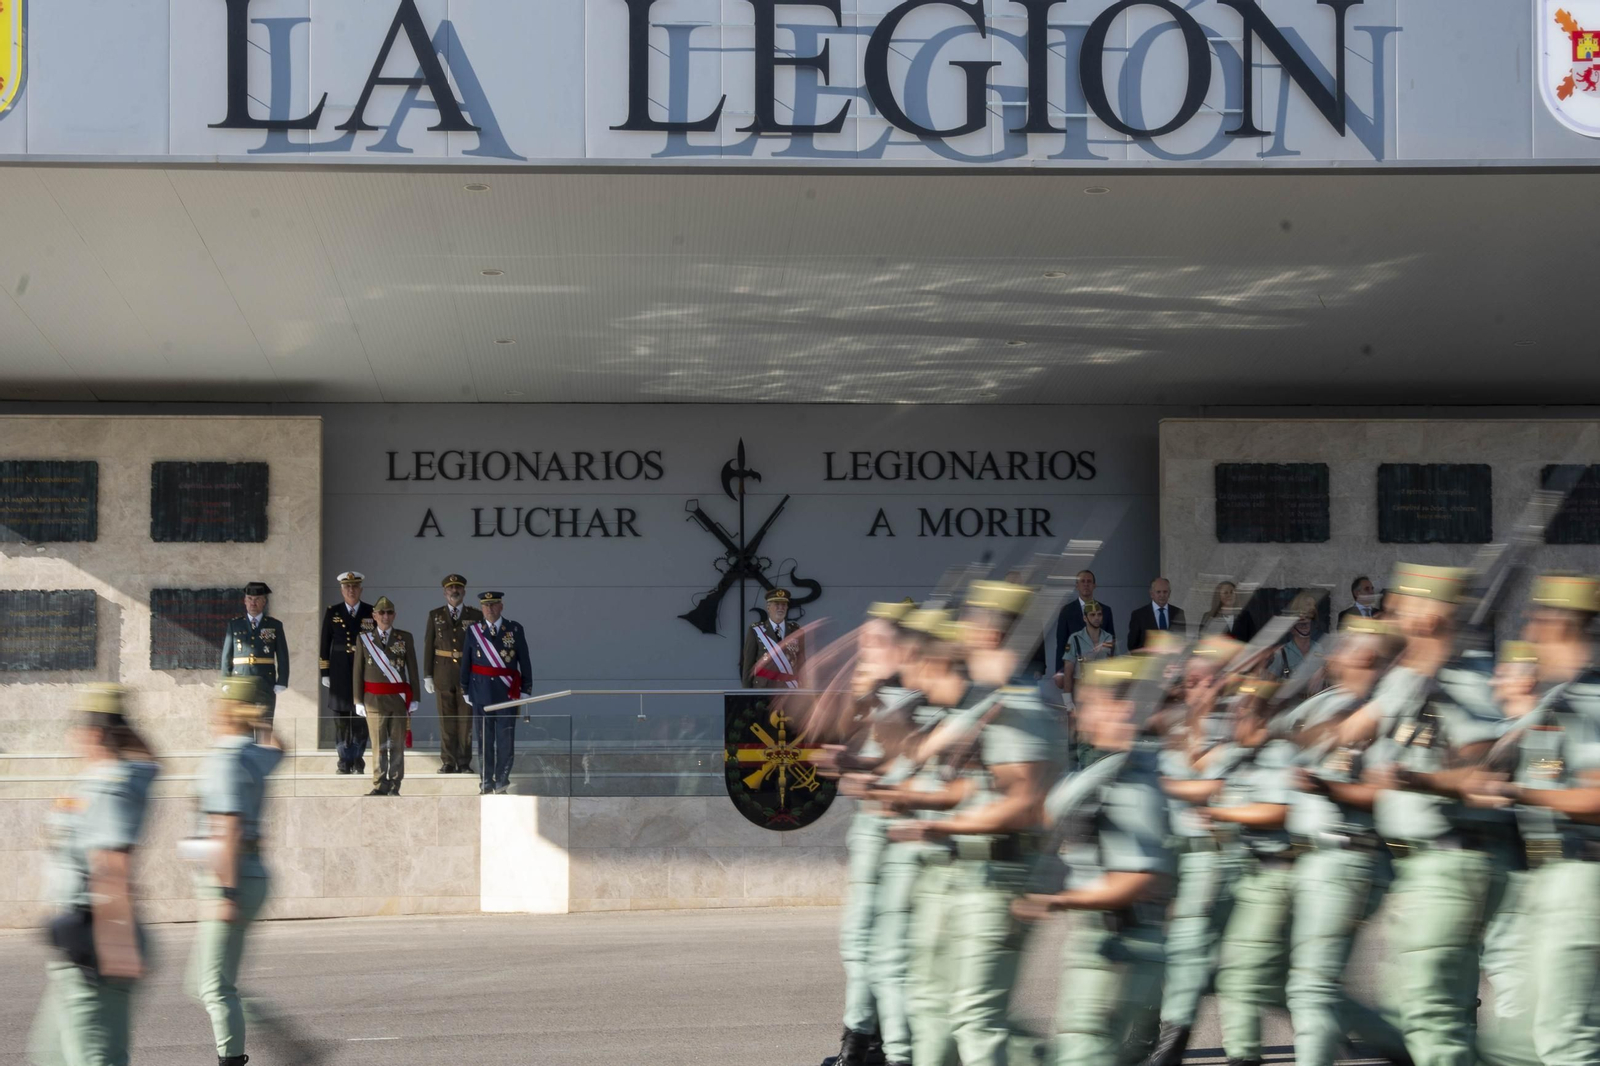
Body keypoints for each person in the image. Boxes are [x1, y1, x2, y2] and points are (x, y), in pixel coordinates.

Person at [1467, 573, 1600, 1066]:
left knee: (1565, 1040)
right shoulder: (1558, 698)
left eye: (1537, 618)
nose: (1529, 629)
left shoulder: (1589, 697)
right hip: (1548, 876)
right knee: (1517, 1044)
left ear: (1560, 625)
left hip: (1582, 874)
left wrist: (1514, 790)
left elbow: (1595, 795)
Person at [1015, 655, 1173, 1066]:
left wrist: (1060, 900)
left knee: (1083, 1053)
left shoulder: (1132, 781)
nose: (1081, 714)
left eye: (1091, 704)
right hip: (1097, 942)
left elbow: (1137, 877)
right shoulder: (1104, 769)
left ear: (1123, 709)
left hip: (1123, 948)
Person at [29, 684, 161, 1066]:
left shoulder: (107, 785)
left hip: (95, 942)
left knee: (93, 1058)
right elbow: (153, 760)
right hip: (85, 942)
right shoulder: (127, 775)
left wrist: (114, 951)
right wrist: (118, 718)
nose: (72, 735)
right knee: (51, 1056)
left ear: (94, 733)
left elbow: (111, 864)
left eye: (78, 727)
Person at [187, 676, 286, 1066]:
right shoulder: (255, 755)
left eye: (220, 708)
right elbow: (281, 749)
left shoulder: (225, 761)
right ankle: (278, 1037)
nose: (214, 715)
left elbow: (227, 827)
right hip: (251, 873)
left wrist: (226, 893)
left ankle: (233, 1058)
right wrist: (261, 721)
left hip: (229, 877)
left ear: (228, 714)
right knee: (203, 981)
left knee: (214, 986)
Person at [461, 591, 532, 795]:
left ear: (501, 606)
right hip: (480, 692)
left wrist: (526, 688)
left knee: (505, 741)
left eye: (493, 604)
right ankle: (485, 782)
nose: (489, 609)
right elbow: (466, 661)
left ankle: (501, 782)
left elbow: (524, 660)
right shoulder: (473, 630)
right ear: (481, 608)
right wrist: (465, 688)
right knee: (484, 740)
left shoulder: (514, 629)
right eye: (486, 605)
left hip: (507, 693)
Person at [352, 596, 420, 797]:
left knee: (397, 744)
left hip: (398, 700)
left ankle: (395, 784)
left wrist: (415, 696)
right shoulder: (364, 639)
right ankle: (380, 784)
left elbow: (413, 669)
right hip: (373, 700)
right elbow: (357, 672)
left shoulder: (404, 638)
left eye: (389, 612)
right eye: (381, 613)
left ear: (394, 615)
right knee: (378, 745)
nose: (385, 616)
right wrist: (357, 700)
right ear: (374, 616)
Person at [423, 574, 483, 775]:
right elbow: (428, 646)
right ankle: (448, 761)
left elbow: (480, 647)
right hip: (443, 672)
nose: (454, 591)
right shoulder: (435, 615)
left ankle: (464, 762)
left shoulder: (475, 615)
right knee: (446, 719)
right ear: (444, 592)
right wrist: (427, 675)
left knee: (466, 720)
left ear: (464, 591)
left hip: (468, 673)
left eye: (458, 588)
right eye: (450, 588)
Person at [319, 571, 373, 775]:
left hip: (364, 669)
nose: (351, 590)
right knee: (341, 719)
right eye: (347, 587)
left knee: (361, 718)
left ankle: (358, 760)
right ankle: (343, 761)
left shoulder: (371, 611)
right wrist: (325, 671)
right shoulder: (333, 611)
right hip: (339, 669)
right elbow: (325, 643)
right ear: (342, 590)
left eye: (355, 586)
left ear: (361, 589)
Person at [220, 581, 288, 721]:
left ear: (264, 602)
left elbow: (282, 656)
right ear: (245, 601)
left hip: (265, 682)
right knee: (242, 725)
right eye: (250, 599)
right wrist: (226, 680)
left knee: (265, 723)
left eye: (257, 599)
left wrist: (282, 680)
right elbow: (227, 655)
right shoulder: (235, 625)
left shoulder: (274, 625)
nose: (253, 603)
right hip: (240, 681)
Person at [1053, 569, 1116, 680]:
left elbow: (1111, 642)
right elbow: (1061, 643)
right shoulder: (1067, 611)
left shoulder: (1105, 610)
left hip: (1099, 670)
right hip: (1074, 670)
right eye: (1082, 581)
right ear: (1077, 585)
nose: (1086, 584)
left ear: (1094, 585)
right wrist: (1060, 672)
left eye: (1089, 581)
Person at [742, 587, 806, 688]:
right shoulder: (756, 630)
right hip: (764, 688)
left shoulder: (796, 631)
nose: (781, 608)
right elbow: (748, 665)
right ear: (768, 607)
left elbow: (802, 663)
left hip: (789, 689)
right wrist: (746, 692)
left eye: (784, 605)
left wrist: (804, 688)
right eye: (777, 604)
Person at [1269, 591, 1327, 691]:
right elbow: (1269, 683)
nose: (1312, 608)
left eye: (1313, 605)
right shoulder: (1282, 653)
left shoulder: (1319, 648)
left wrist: (1324, 671)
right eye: (1308, 604)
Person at [1128, 577, 1186, 652]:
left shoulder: (1178, 613)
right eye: (1158, 592)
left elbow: (1182, 640)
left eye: (1165, 592)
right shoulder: (1139, 615)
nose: (1162, 595)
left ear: (1169, 593)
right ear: (1151, 594)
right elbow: (1132, 645)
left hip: (1172, 658)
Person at [1067, 601, 1116, 677]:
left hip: (1104, 681)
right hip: (1082, 682)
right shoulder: (1075, 639)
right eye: (1092, 615)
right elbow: (1068, 668)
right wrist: (1067, 685)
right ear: (1085, 618)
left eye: (1099, 614)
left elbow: (1117, 664)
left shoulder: (1109, 638)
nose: (1097, 618)